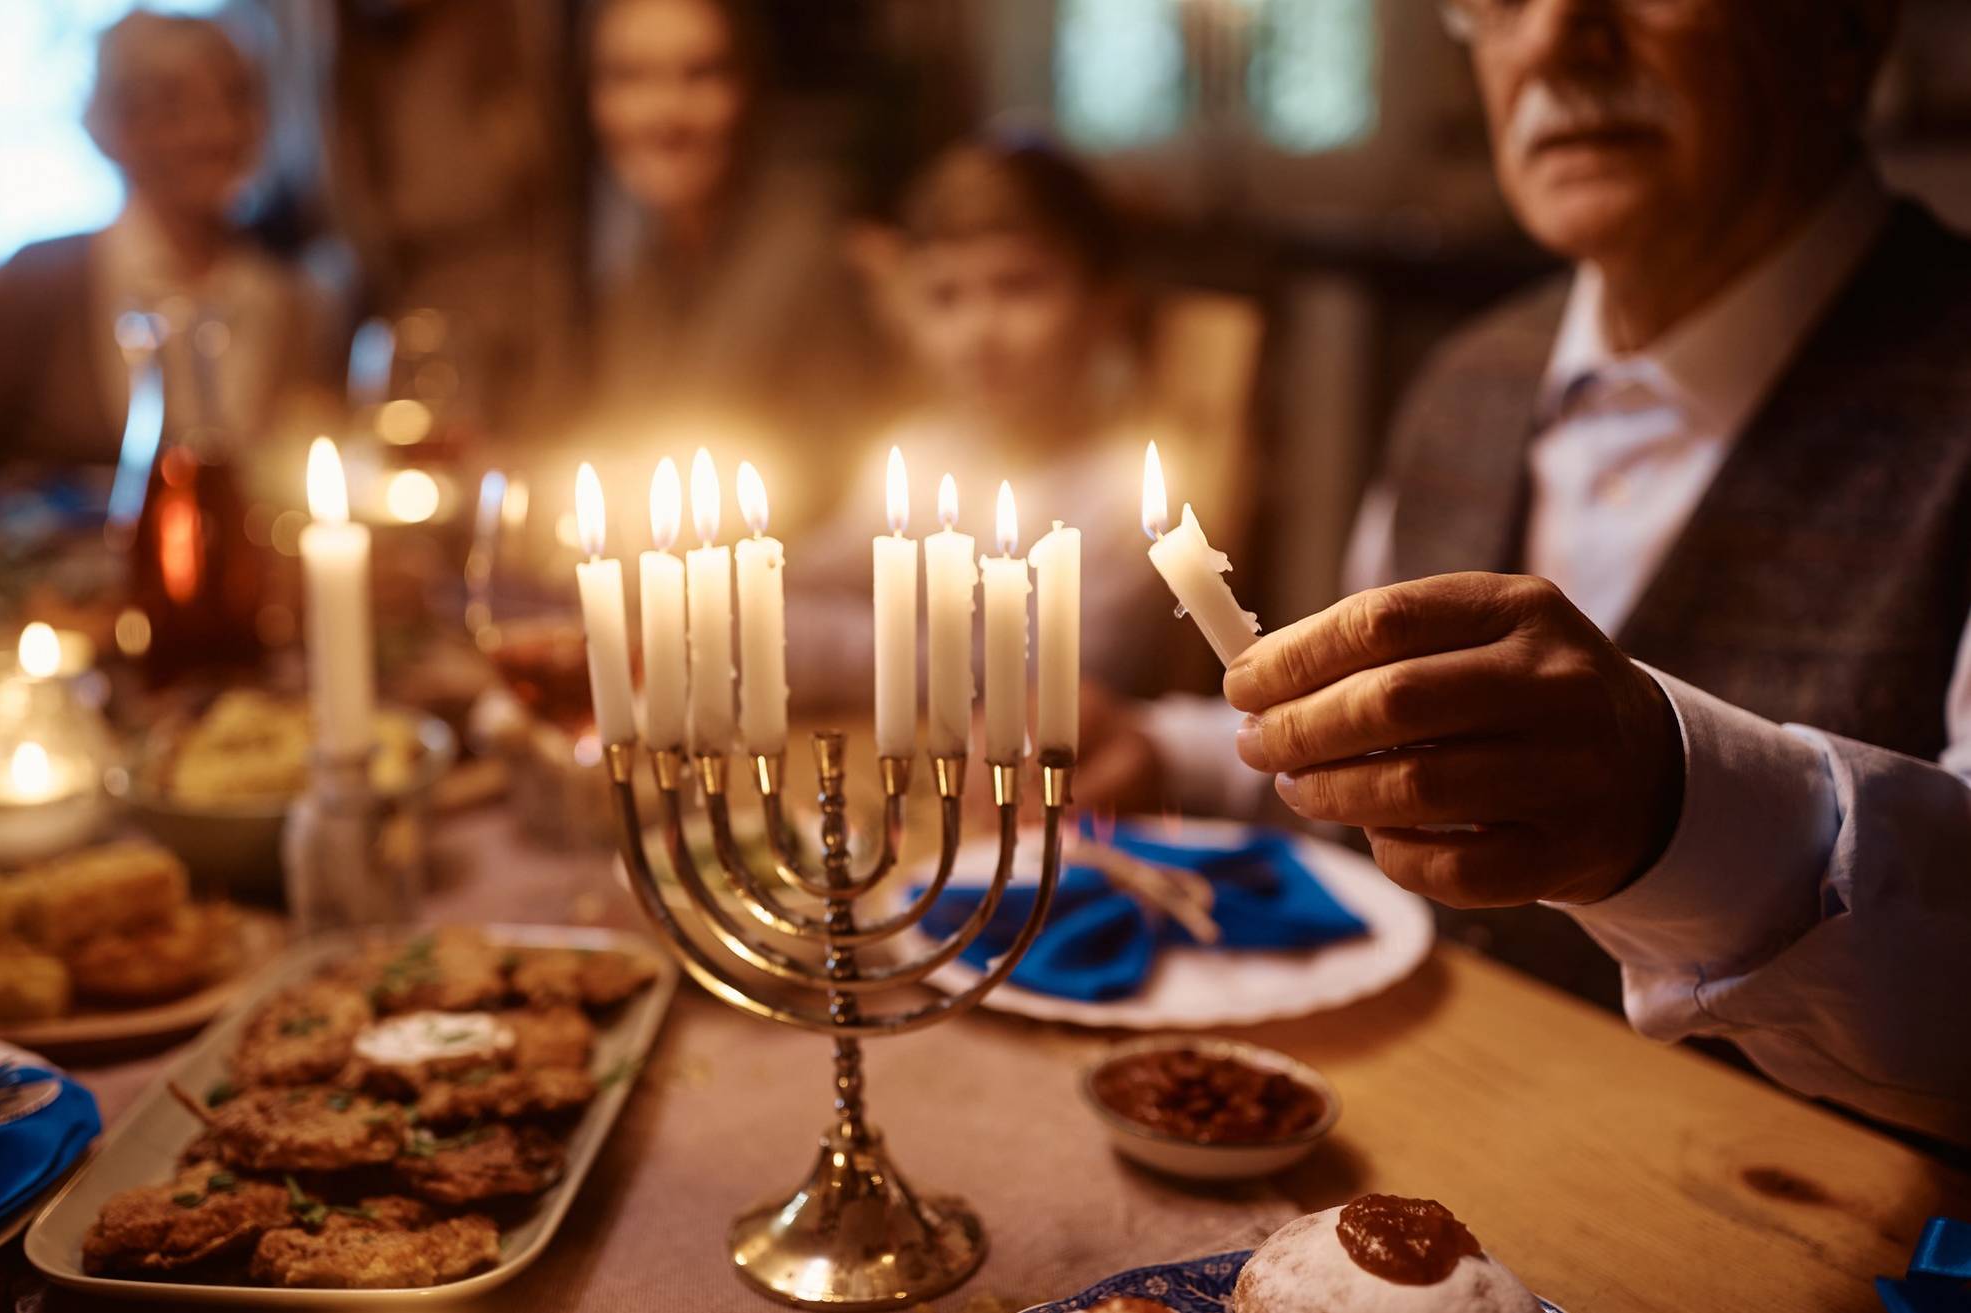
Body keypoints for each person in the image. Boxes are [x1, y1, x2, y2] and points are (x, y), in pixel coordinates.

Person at [1090, 0, 1971, 1145]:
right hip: (1417, 1126)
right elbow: (1399, 744)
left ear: (1848, 34)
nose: (1555, 35)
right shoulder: (1470, 375)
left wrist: (1675, 808)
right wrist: (1164, 750)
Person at [787, 138, 1237, 709]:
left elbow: (1057, 669)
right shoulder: (916, 454)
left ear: (1106, 303)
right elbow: (802, 576)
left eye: (1018, 287)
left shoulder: (1133, 493)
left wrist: (804, 646)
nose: (980, 333)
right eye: (945, 297)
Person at [0, 12, 335, 485]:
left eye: (237, 99)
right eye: (174, 109)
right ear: (113, 127)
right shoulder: (34, 281)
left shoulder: (292, 296)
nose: (217, 130)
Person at [574, 0, 883, 507]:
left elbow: (828, 504)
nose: (663, 112)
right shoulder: (639, 269)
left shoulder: (810, 255)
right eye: (629, 78)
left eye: (700, 75)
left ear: (750, 88)